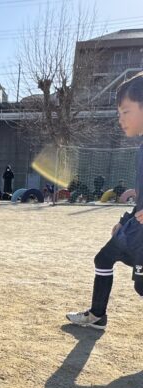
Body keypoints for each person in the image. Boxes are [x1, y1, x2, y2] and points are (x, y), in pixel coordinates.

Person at [66, 72, 143, 330]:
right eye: (119, 113)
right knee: (104, 258)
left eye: (125, 112)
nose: (120, 119)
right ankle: (97, 315)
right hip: (136, 229)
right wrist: (125, 220)